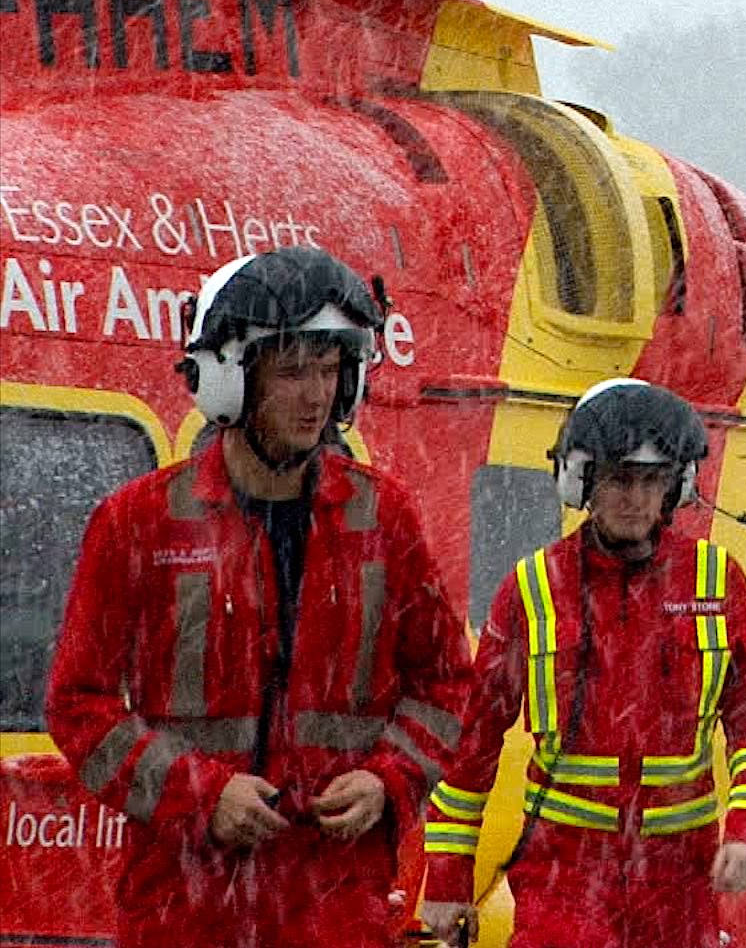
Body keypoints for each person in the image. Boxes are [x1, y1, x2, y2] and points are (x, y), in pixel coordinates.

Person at [44, 245, 474, 948]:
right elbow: (77, 707)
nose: (317, 397)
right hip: (184, 906)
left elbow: (448, 684)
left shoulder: (384, 519)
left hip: (336, 902)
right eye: (293, 370)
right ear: (228, 380)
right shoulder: (138, 523)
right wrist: (199, 796)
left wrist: (387, 782)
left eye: (331, 370)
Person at [419, 378, 746, 948]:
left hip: (679, 887)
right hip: (561, 880)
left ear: (678, 485)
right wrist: (448, 880)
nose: (636, 498)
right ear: (583, 482)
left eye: (653, 481)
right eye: (620, 478)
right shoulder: (533, 588)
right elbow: (471, 745)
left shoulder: (718, 584)